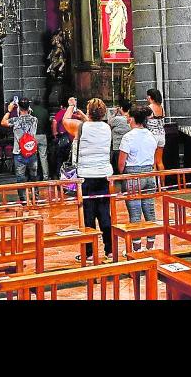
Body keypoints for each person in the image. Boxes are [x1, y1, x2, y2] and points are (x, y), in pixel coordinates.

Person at [67, 97, 114, 263]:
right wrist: (86, 118)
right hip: (103, 175)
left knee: (88, 214)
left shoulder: (82, 127)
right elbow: (93, 126)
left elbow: (66, 121)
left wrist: (71, 106)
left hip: (86, 175)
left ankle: (90, 252)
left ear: (88, 112)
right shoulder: (107, 128)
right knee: (104, 214)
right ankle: (110, 250)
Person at [118, 107, 160, 253]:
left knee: (135, 212)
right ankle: (150, 245)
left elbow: (121, 162)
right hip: (149, 173)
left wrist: (122, 174)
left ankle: (136, 248)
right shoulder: (151, 135)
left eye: (129, 117)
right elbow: (154, 157)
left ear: (134, 119)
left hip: (133, 174)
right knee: (149, 210)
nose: (128, 119)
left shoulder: (128, 137)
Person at [1, 95, 41, 183]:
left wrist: (9, 110)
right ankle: (35, 195)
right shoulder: (34, 120)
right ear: (29, 107)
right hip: (32, 151)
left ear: (19, 107)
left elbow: (3, 122)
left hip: (19, 153)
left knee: (20, 178)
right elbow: (29, 115)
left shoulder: (15, 121)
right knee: (33, 177)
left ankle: (23, 197)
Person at [108, 98, 131, 175]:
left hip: (117, 147)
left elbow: (109, 122)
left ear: (121, 108)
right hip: (128, 148)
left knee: (117, 168)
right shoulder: (131, 118)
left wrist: (114, 113)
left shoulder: (117, 119)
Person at [145, 88, 166, 171]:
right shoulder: (161, 107)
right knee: (160, 161)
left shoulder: (149, 108)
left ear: (150, 97)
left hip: (152, 135)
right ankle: (162, 183)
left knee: (152, 162)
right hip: (162, 134)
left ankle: (154, 183)